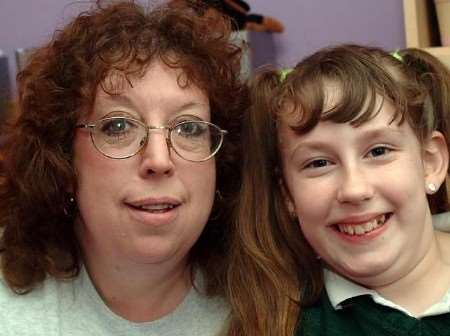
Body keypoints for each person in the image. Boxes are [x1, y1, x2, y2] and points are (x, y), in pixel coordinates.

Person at [0, 1, 248, 335]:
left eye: (188, 128)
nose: (159, 160)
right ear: (62, 158)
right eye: (118, 126)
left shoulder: (272, 303)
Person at [225, 44, 450, 335]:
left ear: (430, 162)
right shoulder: (284, 325)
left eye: (378, 151)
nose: (354, 190)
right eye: (319, 163)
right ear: (287, 195)